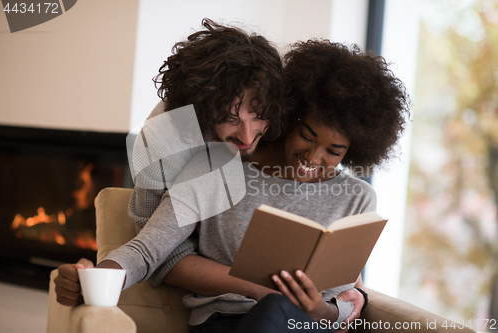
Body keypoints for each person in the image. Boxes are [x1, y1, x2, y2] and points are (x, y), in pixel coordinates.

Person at [63, 40, 409, 332]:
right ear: (290, 116)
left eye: (334, 151)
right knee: (273, 309)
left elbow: (345, 303)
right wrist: (96, 276)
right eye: (307, 136)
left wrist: (321, 310)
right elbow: (148, 249)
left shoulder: (357, 198)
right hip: (226, 322)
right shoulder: (217, 165)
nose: (313, 157)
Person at [54, 17, 287, 304]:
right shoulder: (162, 142)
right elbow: (154, 251)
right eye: (229, 118)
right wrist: (96, 280)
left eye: (259, 115)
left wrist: (350, 292)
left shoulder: (284, 119)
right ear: (203, 110)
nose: (248, 136)